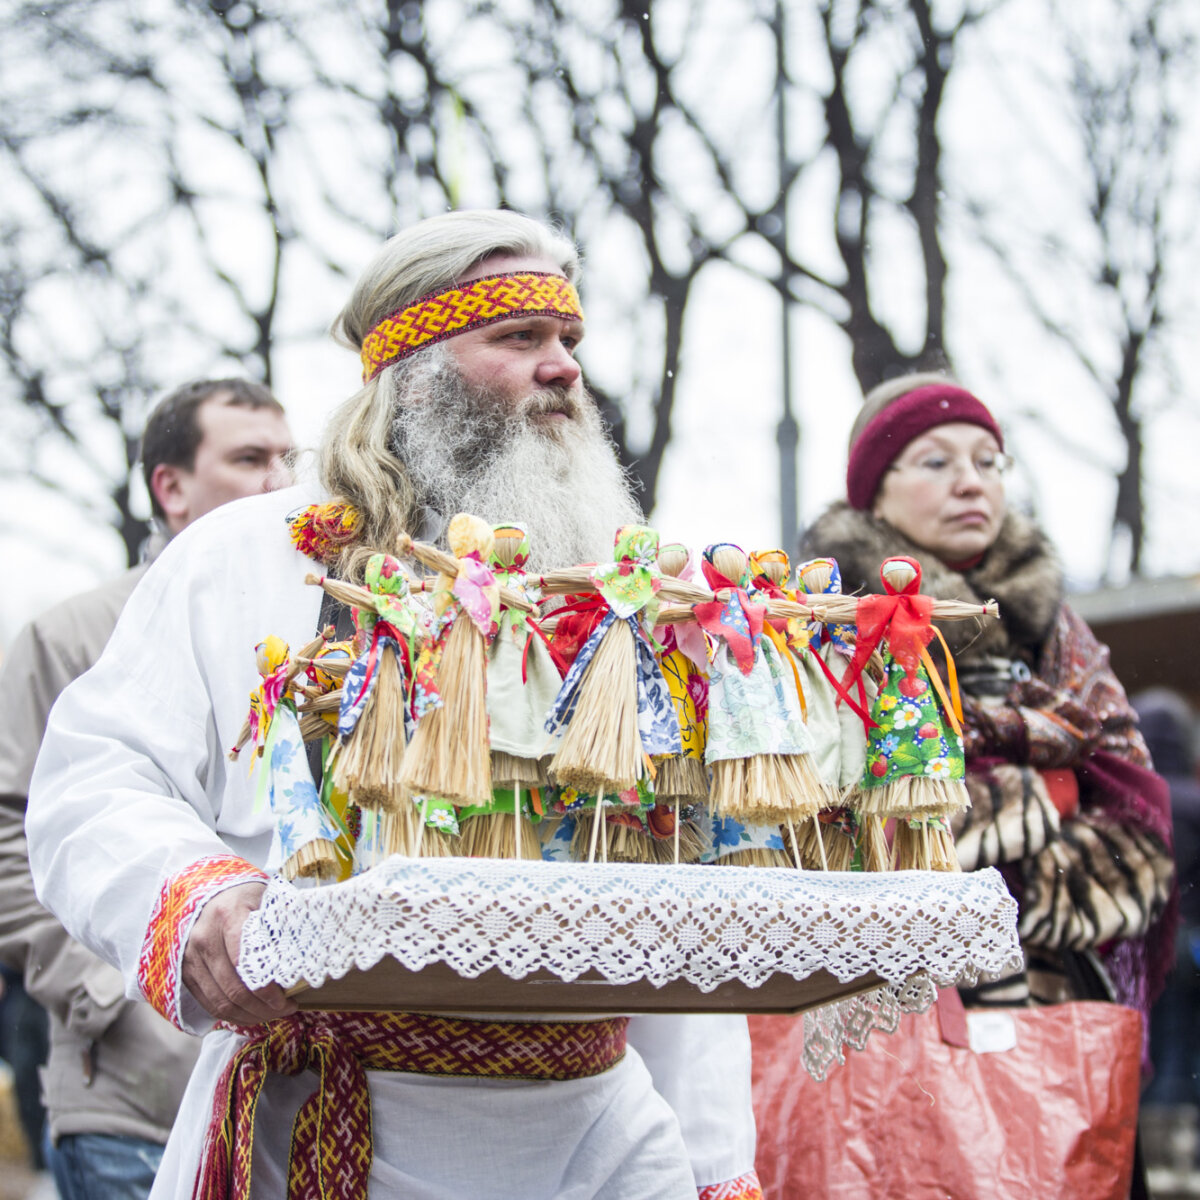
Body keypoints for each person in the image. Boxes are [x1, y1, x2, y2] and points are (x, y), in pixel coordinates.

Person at [26, 210, 763, 1200]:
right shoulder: (248, 554)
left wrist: (715, 1167)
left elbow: (672, 898)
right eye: (520, 338)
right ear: (414, 370)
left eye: (570, 342)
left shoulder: (610, 600)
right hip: (333, 1113)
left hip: (604, 1129)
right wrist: (198, 898)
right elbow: (92, 781)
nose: (564, 370)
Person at [797, 373, 1175, 1009]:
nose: (971, 482)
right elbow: (819, 809)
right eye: (936, 462)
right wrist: (1041, 790)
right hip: (881, 995)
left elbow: (1135, 804)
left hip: (1053, 994)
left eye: (988, 462)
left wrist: (1009, 858)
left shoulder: (1052, 624)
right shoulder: (828, 622)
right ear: (874, 498)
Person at [0, 378, 293, 1199]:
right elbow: (15, 835)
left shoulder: (315, 617)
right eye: (248, 458)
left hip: (273, 1091)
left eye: (287, 458)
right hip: (129, 1100)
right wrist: (112, 993)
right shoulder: (70, 635)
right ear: (170, 487)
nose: (280, 480)